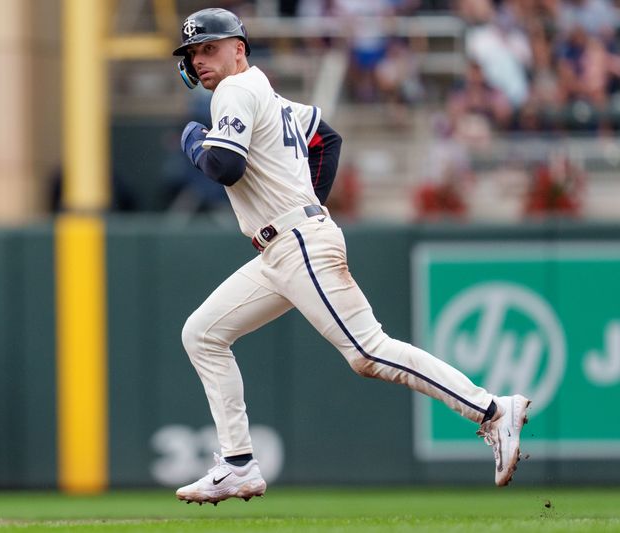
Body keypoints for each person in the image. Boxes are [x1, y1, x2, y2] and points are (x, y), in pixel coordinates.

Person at [171, 7, 531, 505]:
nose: (201, 59)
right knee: (203, 334)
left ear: (239, 48)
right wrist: (309, 201)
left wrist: (194, 144)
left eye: (210, 47)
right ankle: (237, 462)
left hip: (297, 242)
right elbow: (327, 137)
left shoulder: (235, 90)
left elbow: (225, 165)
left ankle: (492, 409)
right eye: (194, 52)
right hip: (285, 245)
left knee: (368, 351)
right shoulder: (267, 94)